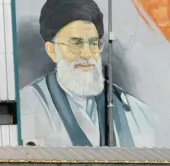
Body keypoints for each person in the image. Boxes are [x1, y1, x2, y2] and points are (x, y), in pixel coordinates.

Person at [19, 0, 159, 147]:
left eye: (93, 43)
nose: (87, 54)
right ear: (52, 51)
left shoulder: (137, 112)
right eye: (76, 43)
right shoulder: (27, 104)